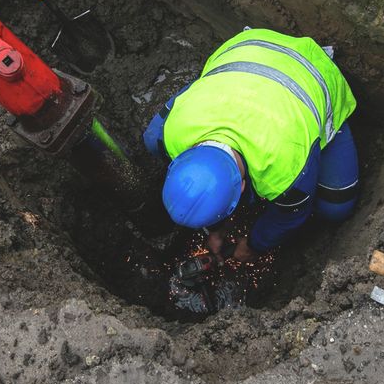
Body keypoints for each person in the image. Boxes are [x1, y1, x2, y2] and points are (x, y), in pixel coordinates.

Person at [143, 28, 361, 262]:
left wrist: (255, 245)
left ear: (244, 187)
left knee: (335, 207)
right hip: (250, 46)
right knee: (152, 138)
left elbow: (290, 215)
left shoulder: (285, 167)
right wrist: (216, 230)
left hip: (315, 74)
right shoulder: (172, 131)